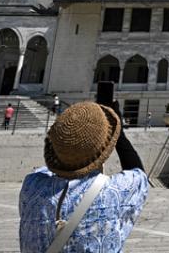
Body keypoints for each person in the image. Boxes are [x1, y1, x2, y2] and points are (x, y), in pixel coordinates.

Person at [19, 102, 148, 252]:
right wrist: (120, 135)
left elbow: (48, 169)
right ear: (104, 150)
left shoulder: (31, 187)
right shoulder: (113, 192)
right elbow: (138, 173)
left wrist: (64, 148)